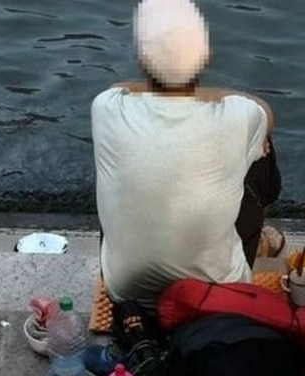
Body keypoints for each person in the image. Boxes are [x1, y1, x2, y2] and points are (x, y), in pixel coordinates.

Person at [92, 0, 281, 316]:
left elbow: (119, 87)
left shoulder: (107, 107)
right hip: (218, 295)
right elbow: (265, 111)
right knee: (262, 146)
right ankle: (257, 239)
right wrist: (202, 95)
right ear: (205, 57)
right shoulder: (239, 116)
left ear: (141, 59)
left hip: (125, 294)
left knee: (119, 165)